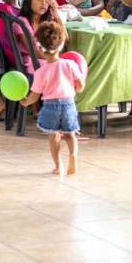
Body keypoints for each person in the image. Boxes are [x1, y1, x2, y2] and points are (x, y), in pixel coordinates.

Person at [21, 22, 85, 175]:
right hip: (68, 103)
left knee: (53, 135)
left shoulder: (40, 72)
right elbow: (81, 86)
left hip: (50, 106)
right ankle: (73, 155)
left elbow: (35, 96)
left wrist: (25, 102)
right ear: (62, 44)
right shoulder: (70, 64)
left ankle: (58, 166)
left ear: (40, 49)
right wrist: (76, 89)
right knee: (70, 134)